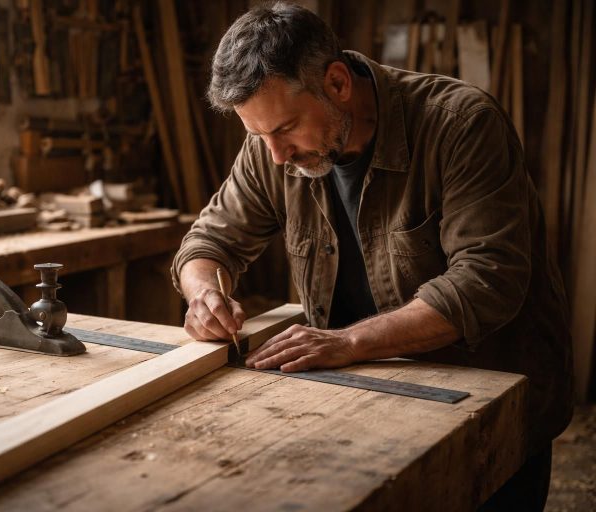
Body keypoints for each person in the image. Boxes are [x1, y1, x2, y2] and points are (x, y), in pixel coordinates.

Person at [170, 2, 573, 509]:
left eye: (286, 128)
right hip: (360, 396)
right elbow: (209, 242)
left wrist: (349, 341)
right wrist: (204, 292)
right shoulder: (271, 147)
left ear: (337, 83)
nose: (276, 155)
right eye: (259, 135)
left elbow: (486, 281)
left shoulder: (460, 124)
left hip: (486, 398)